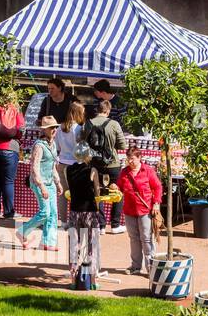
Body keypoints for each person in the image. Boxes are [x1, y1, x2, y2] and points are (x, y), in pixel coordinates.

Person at [84, 98, 128, 233]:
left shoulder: (88, 124)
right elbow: (122, 145)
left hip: (94, 164)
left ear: (98, 110)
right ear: (108, 111)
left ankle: (100, 225)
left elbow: (82, 143)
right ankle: (115, 224)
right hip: (112, 163)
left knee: (98, 192)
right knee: (117, 191)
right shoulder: (114, 124)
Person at [116, 146, 162, 275]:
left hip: (145, 210)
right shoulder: (124, 172)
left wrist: (156, 203)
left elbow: (157, 187)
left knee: (146, 238)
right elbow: (119, 187)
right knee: (134, 238)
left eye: (132, 159)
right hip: (129, 210)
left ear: (139, 158)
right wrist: (115, 187)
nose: (130, 162)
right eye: (128, 159)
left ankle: (151, 267)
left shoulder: (147, 171)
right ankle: (136, 266)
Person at [17, 116, 61, 252]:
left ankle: (47, 242)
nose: (54, 130)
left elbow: (53, 166)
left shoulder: (53, 144)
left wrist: (58, 182)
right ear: (44, 130)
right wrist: (41, 187)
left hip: (50, 182)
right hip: (39, 182)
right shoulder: (39, 145)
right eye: (51, 128)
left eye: (55, 127)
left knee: (53, 213)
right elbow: (34, 168)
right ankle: (22, 231)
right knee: (45, 213)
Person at [65, 159, 102, 288]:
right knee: (93, 244)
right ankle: (93, 281)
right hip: (90, 211)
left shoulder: (67, 170)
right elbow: (97, 192)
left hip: (75, 211)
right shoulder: (92, 170)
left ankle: (73, 280)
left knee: (74, 245)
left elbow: (70, 189)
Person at [53, 101, 85, 225]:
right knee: (75, 194)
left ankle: (63, 221)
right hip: (75, 164)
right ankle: (74, 221)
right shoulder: (79, 128)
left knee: (63, 194)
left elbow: (57, 146)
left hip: (62, 162)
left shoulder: (60, 127)